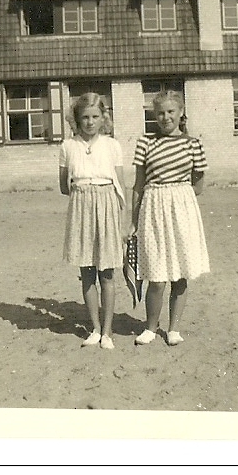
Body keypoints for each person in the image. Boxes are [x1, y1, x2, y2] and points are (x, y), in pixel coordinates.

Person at [130, 90, 210, 346]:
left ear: (181, 112)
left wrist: (177, 198)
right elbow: (138, 185)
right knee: (156, 274)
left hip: (182, 210)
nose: (166, 118)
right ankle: (151, 327)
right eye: (160, 113)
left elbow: (198, 185)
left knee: (181, 273)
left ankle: (173, 328)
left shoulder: (193, 144)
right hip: (152, 208)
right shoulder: (145, 142)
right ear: (154, 115)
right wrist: (133, 220)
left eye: (171, 112)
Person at [59, 92, 126, 350]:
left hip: (107, 202)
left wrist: (119, 217)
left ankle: (108, 331)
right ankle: (95, 328)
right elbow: (64, 186)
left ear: (103, 118)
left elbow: (120, 182)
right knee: (87, 271)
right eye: (84, 117)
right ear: (76, 119)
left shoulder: (112, 145)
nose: (89, 122)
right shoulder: (67, 146)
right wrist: (84, 197)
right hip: (80, 204)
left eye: (95, 116)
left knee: (106, 272)